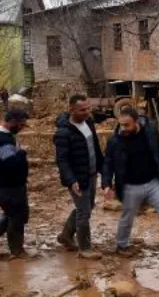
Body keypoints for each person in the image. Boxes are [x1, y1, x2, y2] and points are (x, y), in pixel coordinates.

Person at [102, 107, 159, 257]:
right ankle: (122, 245)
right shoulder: (115, 141)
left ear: (136, 122)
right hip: (130, 185)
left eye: (127, 125)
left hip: (153, 182)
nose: (123, 128)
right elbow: (108, 163)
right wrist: (106, 184)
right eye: (121, 125)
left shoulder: (150, 131)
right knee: (127, 217)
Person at [54, 95, 104, 259]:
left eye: (88, 108)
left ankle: (66, 236)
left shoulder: (88, 123)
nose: (87, 112)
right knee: (84, 212)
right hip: (77, 178)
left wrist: (102, 169)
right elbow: (62, 160)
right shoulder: (63, 133)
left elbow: (95, 147)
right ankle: (85, 249)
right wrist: (71, 180)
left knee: (87, 207)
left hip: (91, 173)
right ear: (71, 110)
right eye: (82, 110)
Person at [0, 109, 30, 259]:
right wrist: (22, 153)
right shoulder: (2, 140)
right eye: (21, 125)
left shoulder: (8, 137)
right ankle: (17, 250)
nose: (22, 127)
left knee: (11, 214)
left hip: (12, 185)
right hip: (9, 186)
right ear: (12, 122)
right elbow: (9, 163)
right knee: (16, 216)